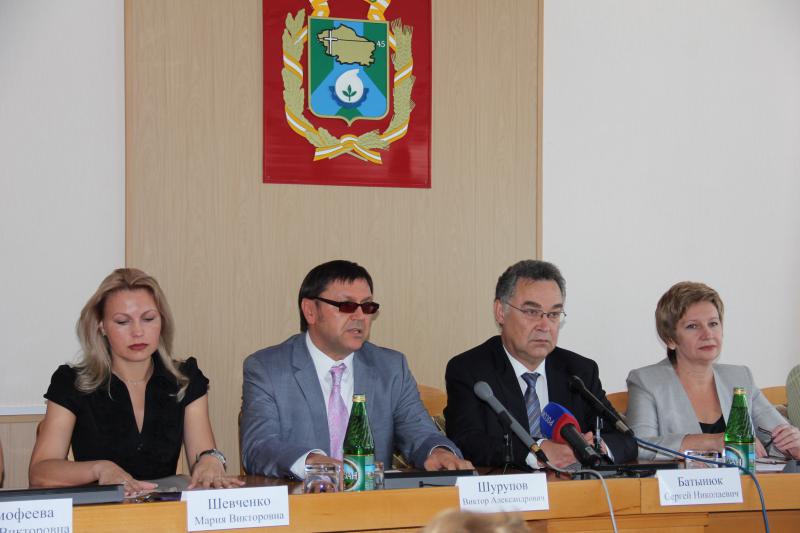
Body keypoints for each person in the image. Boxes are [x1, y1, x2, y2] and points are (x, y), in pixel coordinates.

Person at [241, 260, 472, 478]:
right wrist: (312, 462)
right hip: (302, 501)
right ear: (310, 310)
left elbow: (419, 433)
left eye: (367, 306)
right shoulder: (267, 369)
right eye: (347, 305)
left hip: (372, 503)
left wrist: (438, 452)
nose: (360, 316)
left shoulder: (391, 368)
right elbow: (259, 447)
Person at [29, 268, 242, 495]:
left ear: (162, 322)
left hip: (163, 510)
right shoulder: (71, 382)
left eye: (148, 319)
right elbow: (40, 472)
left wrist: (210, 461)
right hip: (101, 512)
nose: (138, 332)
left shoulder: (185, 379)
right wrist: (99, 469)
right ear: (101, 326)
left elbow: (202, 453)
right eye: (123, 322)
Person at [445, 260, 637, 469]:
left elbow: (625, 439)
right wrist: (537, 451)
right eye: (531, 312)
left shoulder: (579, 371)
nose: (545, 326)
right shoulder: (470, 370)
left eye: (553, 314)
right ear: (501, 311)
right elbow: (465, 441)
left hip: (573, 487)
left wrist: (595, 447)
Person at [626, 281, 800, 460]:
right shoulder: (646, 381)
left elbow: (778, 437)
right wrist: (711, 441)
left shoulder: (740, 377)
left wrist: (793, 445)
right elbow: (639, 446)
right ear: (670, 339)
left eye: (713, 323)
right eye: (692, 326)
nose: (708, 334)